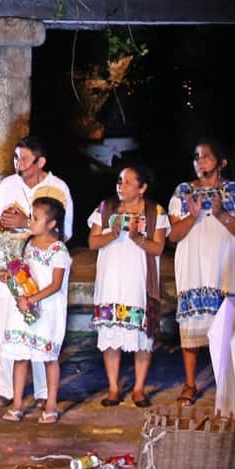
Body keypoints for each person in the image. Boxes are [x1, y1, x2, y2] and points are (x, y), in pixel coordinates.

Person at [0, 136, 74, 410]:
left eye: (23, 159)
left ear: (40, 161)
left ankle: (44, 393)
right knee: (7, 326)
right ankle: (4, 388)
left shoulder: (57, 188)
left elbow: (64, 231)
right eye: (15, 158)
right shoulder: (9, 184)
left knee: (41, 329)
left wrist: (25, 224)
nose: (17, 164)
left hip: (43, 272)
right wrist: (1, 224)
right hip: (12, 264)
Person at [167, 141, 235, 405]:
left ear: (221, 162)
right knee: (192, 322)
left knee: (225, 322)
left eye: (206, 156)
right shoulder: (183, 191)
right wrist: (192, 217)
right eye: (196, 157)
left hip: (225, 263)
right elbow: (174, 235)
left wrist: (219, 213)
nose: (200, 161)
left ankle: (227, 382)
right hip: (194, 263)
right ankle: (190, 383)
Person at [88, 164, 167, 408]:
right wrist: (113, 233)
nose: (121, 186)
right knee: (111, 333)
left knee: (142, 336)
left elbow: (158, 248)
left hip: (139, 281)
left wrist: (136, 238)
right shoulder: (106, 207)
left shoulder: (155, 211)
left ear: (142, 188)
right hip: (112, 279)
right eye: (119, 181)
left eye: (128, 182)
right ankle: (113, 387)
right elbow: (92, 242)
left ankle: (139, 388)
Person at [0, 197, 70, 424]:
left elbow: (55, 284)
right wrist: (9, 275)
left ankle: (51, 404)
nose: (31, 221)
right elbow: (23, 272)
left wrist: (32, 300)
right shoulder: (28, 244)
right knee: (21, 357)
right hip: (25, 307)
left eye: (36, 218)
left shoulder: (58, 250)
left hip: (46, 310)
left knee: (48, 358)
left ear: (51, 224)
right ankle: (18, 403)